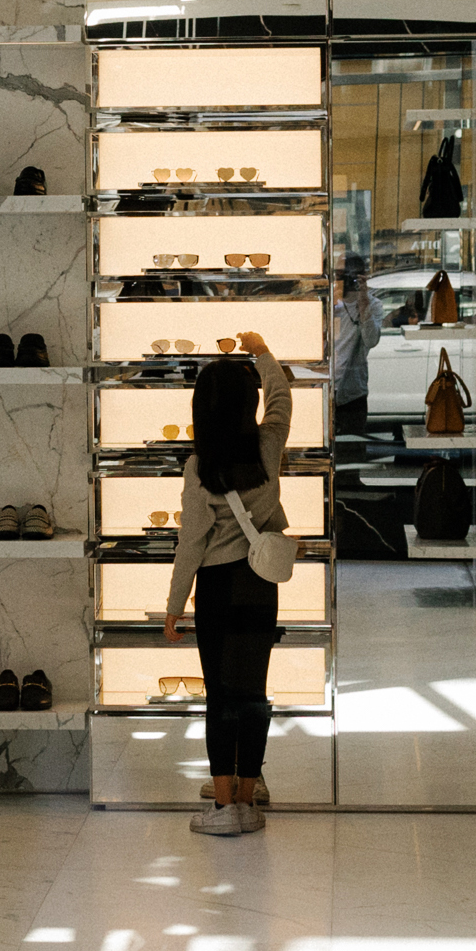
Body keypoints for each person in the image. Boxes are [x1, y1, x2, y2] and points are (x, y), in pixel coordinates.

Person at [162, 334, 290, 834]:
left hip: (217, 585)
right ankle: (247, 796)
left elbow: (190, 543)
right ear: (248, 405)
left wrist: (175, 606)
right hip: (261, 582)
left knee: (219, 693)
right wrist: (263, 353)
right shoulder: (267, 445)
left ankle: (223, 809)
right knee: (252, 691)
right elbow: (282, 399)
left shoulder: (199, 467)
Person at [328, 260, 373, 443]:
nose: (343, 281)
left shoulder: (372, 304)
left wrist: (363, 301)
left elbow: (371, 339)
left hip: (352, 392)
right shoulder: (329, 303)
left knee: (352, 456)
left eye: (347, 276)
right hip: (325, 388)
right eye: (339, 275)